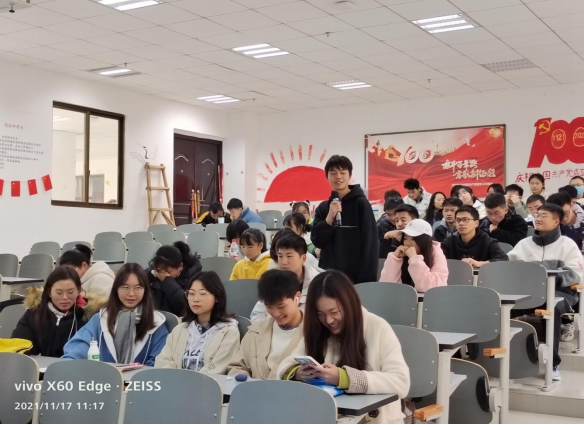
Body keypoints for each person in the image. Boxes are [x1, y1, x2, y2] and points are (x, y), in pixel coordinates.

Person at [278, 270, 410, 424]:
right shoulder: (318, 331)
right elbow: (285, 366)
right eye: (320, 314)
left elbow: (401, 382)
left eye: (334, 312)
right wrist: (299, 373)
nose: (329, 320)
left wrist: (345, 378)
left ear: (349, 303)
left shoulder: (378, 328)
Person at [509, 203, 584, 381]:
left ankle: (552, 363)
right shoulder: (524, 244)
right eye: (537, 215)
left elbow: (576, 274)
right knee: (503, 307)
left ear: (556, 221)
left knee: (552, 306)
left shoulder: (568, 245)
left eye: (544, 216)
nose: (538, 219)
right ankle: (503, 357)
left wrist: (545, 277)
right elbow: (509, 268)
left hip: (560, 293)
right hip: (528, 293)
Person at [63, 264, 169, 366]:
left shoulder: (156, 323)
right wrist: (68, 363)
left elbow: (159, 360)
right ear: (116, 289)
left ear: (145, 290)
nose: (131, 293)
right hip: (104, 377)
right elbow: (80, 346)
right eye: (125, 287)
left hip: (140, 378)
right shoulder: (101, 318)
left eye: (137, 287)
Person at [12, 267, 106, 358]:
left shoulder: (88, 318)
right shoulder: (33, 314)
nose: (65, 297)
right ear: (49, 292)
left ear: (78, 291)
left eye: (70, 292)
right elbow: (19, 346)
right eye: (59, 293)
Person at [155, 271, 240, 373]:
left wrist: (193, 380)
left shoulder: (228, 331)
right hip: (176, 382)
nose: (195, 299)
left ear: (217, 297)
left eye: (202, 293)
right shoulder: (179, 329)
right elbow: (163, 362)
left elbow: (218, 367)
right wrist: (177, 379)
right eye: (191, 293)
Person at [312, 155, 378, 284]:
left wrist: (367, 281)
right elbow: (318, 241)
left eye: (343, 173)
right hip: (329, 277)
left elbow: (370, 244)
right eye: (333, 173)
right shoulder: (323, 208)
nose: (338, 177)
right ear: (327, 177)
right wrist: (329, 219)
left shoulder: (361, 204)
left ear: (349, 175)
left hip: (355, 278)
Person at [228, 270, 304, 379]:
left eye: (281, 306)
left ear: (297, 297)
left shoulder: (316, 332)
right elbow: (237, 366)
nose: (276, 313)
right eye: (269, 306)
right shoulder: (256, 331)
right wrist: (246, 381)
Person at [251, 233, 322, 322]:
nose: (284, 262)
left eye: (289, 256)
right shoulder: (273, 280)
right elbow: (258, 314)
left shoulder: (318, 283)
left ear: (303, 258)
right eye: (280, 256)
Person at [380, 220, 448, 292]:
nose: (408, 243)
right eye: (405, 238)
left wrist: (414, 259)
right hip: (403, 298)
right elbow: (386, 287)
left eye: (413, 239)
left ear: (424, 240)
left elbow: (433, 288)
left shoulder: (436, 254)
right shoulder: (402, 255)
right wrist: (395, 259)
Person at [146, 242, 202, 316]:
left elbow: (186, 306)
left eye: (168, 272)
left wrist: (167, 280)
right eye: (160, 271)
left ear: (180, 266)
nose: (162, 275)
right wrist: (150, 276)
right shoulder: (153, 274)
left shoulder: (194, 278)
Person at [442, 205, 508, 267]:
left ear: (476, 223)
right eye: (458, 220)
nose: (461, 223)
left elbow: (503, 259)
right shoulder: (449, 242)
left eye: (465, 220)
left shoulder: (488, 242)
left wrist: (479, 263)